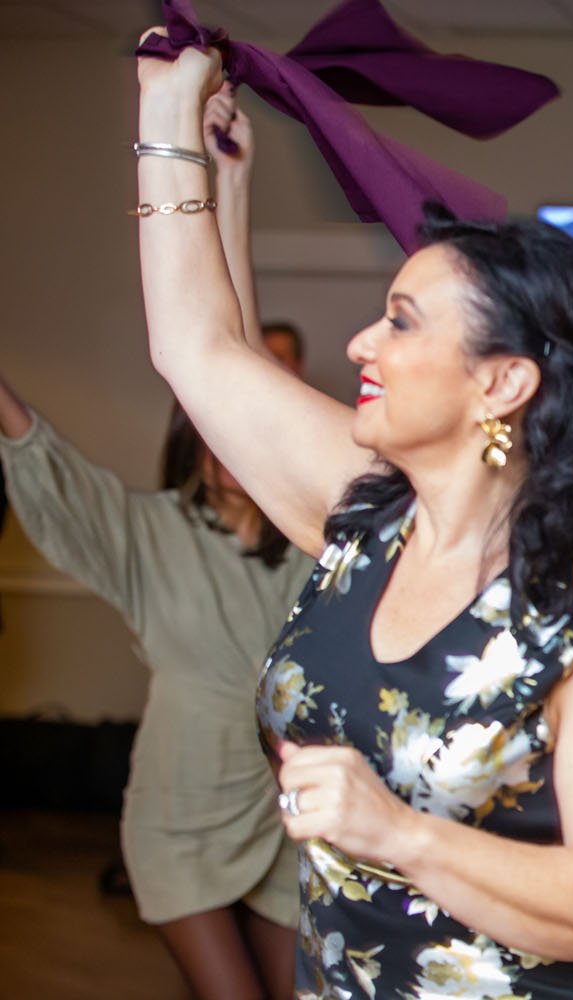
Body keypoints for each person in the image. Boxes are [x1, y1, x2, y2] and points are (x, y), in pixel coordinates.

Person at [137, 36, 573, 998]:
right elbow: (197, 348)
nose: (363, 343)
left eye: (401, 321)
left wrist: (400, 833)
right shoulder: (367, 522)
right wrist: (166, 112)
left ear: (503, 382)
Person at [0, 86, 307, 999]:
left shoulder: (309, 539)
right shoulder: (147, 532)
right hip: (178, 815)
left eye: (240, 428)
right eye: (210, 434)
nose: (229, 449)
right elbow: (45, 460)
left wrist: (233, 182)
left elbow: (234, 357)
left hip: (286, 811)